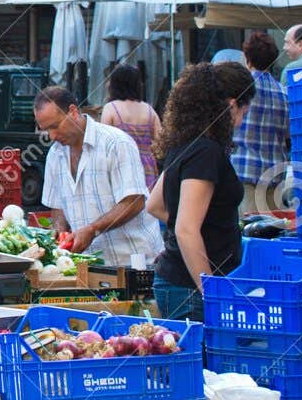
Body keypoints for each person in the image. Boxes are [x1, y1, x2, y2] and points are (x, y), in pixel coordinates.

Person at [147, 61, 254, 321]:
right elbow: (185, 229)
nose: (241, 122)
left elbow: (155, 205)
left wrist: (204, 227)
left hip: (176, 282)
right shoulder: (205, 152)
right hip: (190, 290)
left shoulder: (184, 145)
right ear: (231, 105)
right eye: (244, 112)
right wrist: (211, 292)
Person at [36, 86, 163, 268]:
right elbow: (57, 206)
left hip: (133, 261)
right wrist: (59, 233)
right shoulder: (55, 155)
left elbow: (134, 201)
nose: (52, 135)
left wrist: (93, 229)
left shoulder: (115, 143)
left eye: (55, 126)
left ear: (73, 112)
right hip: (91, 265)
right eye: (46, 130)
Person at [232, 30, 290, 215]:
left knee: (247, 232)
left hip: (245, 172)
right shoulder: (284, 92)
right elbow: (288, 135)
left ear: (247, 58)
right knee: (272, 233)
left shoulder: (240, 89)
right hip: (275, 175)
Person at [100, 64, 161, 191]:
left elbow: (103, 144)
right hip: (147, 168)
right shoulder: (149, 110)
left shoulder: (111, 108)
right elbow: (161, 143)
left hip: (121, 166)